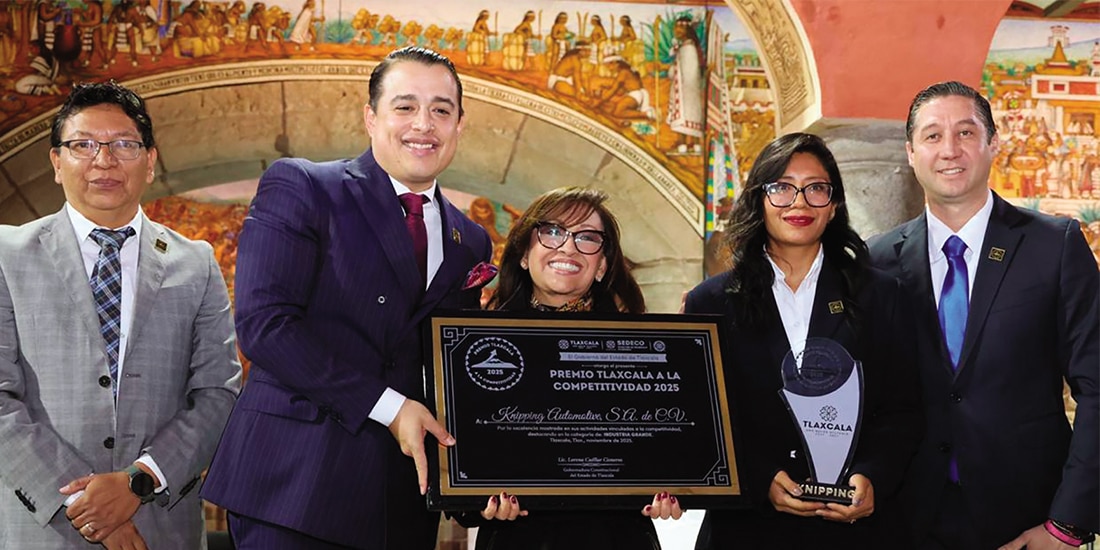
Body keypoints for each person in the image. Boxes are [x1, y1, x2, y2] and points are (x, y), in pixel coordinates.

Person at [201, 46, 493, 550]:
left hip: (402, 501)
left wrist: (487, 472)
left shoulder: (472, 241)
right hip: (293, 487)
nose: (424, 123)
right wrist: (389, 407)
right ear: (370, 116)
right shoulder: (305, 187)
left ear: (460, 125)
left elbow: (453, 369)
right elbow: (266, 326)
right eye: (405, 107)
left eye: (441, 110)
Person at [0, 80, 242, 549]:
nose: (104, 160)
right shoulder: (7, 255)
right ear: (56, 162)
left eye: (124, 145)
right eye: (83, 145)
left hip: (160, 526)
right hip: (42, 527)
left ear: (150, 161)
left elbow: (218, 393)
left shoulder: (195, 262)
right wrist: (91, 507)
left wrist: (138, 481)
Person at [868, 80, 1099, 549]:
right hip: (903, 519)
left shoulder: (1054, 246)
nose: (950, 149)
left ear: (993, 143)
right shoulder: (877, 261)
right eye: (932, 136)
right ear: (911, 153)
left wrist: (1067, 524)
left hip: (1027, 521)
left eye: (966, 132)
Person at [685, 133, 922, 549]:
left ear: (833, 207)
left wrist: (873, 476)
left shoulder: (882, 295)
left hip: (853, 529)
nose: (799, 202)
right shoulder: (713, 301)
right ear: (759, 200)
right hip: (746, 530)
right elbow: (703, 418)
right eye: (782, 187)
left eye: (816, 189)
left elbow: (902, 408)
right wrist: (759, 479)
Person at [453, 186, 678, 550]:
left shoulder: (643, 348)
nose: (569, 247)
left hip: (617, 539)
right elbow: (464, 463)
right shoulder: (476, 345)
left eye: (587, 238)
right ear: (525, 254)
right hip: (518, 540)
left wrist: (677, 484)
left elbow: (666, 450)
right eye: (553, 232)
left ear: (602, 265)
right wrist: (481, 505)